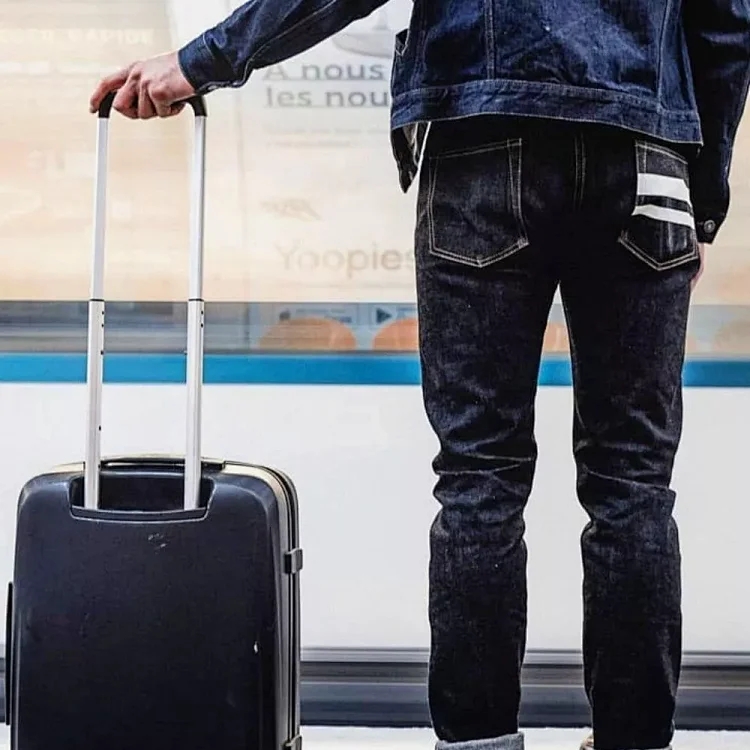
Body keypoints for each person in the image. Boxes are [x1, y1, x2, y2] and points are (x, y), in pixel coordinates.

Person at [90, 2, 750, 749]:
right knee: (632, 483)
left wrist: (200, 63)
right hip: (645, 154)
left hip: (480, 145)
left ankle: (476, 741)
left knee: (480, 477)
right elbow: (726, 24)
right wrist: (703, 199)